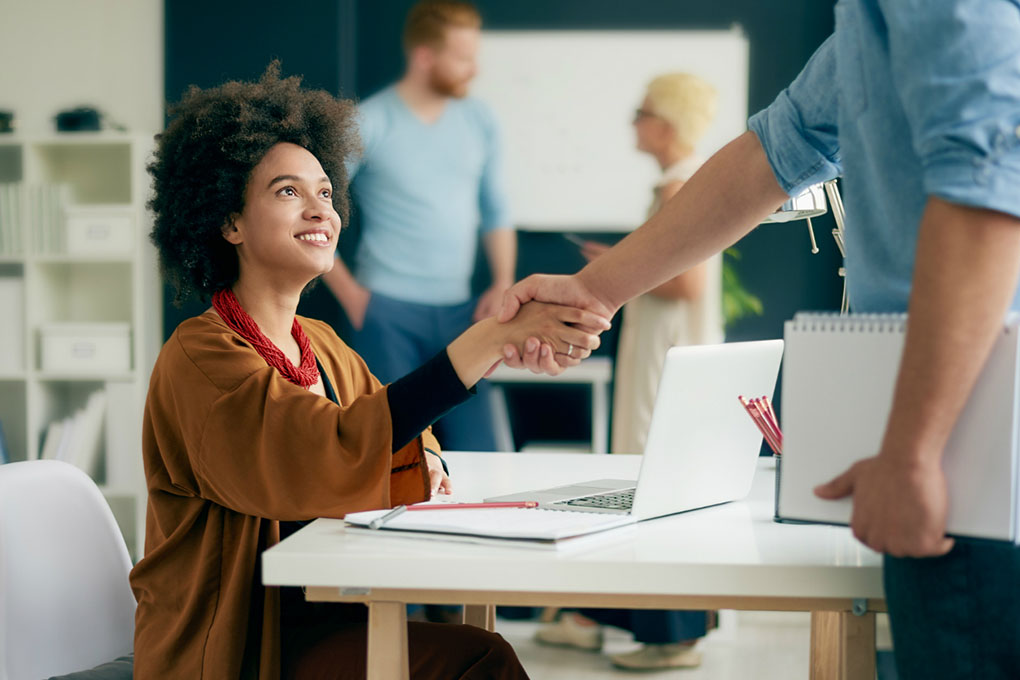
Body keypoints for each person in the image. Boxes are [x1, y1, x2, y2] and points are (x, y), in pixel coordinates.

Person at [498, 2, 1020, 678]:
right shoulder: (869, 20)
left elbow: (987, 188)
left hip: (981, 443)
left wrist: (913, 451)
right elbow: (777, 148)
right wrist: (597, 288)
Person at [129, 63, 604, 680]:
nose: (318, 209)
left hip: (329, 621)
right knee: (479, 658)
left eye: (325, 192)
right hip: (240, 644)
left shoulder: (321, 345)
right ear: (230, 223)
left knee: (466, 646)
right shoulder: (199, 358)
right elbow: (324, 447)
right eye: (287, 192)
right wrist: (489, 338)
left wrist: (428, 462)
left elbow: (399, 434)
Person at [534, 73, 722, 671]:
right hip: (667, 350)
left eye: (641, 112)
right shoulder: (688, 182)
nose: (633, 122)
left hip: (666, 354)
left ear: (665, 123)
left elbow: (685, 282)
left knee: (652, 479)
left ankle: (669, 632)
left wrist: (618, 267)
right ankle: (616, 616)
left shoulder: (678, 185)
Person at [322, 0, 513, 452]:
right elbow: (315, 207)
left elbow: (496, 209)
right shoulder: (368, 121)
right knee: (392, 452)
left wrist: (503, 283)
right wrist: (352, 297)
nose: (474, 69)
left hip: (464, 315)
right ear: (426, 56)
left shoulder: (480, 120)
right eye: (463, 58)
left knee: (480, 450)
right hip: (386, 313)